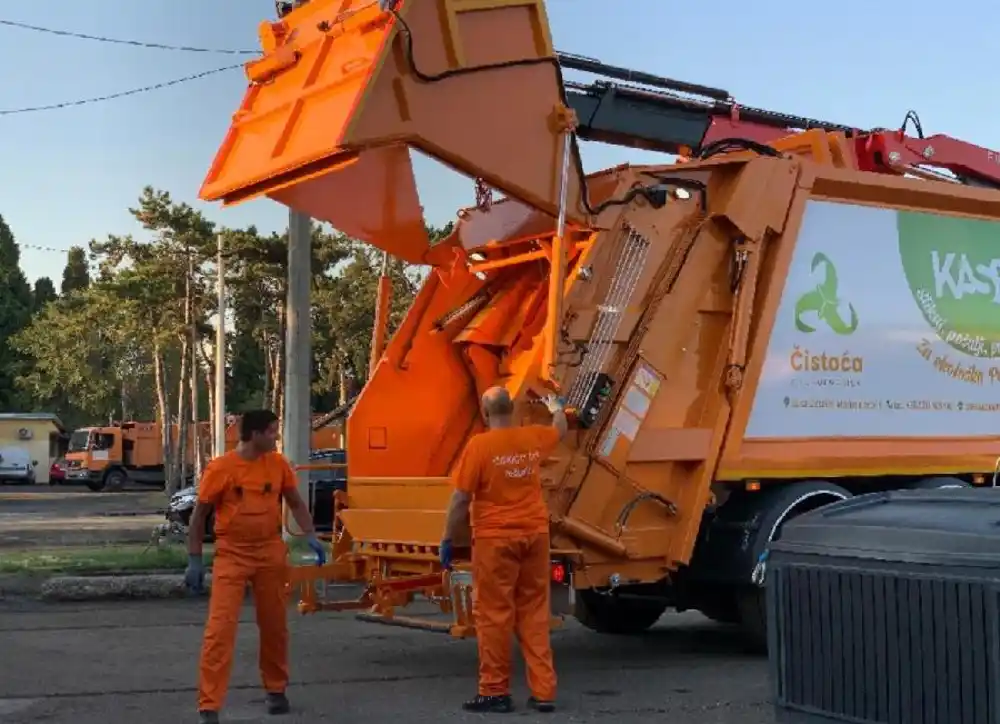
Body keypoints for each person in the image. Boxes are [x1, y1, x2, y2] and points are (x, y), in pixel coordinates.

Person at [185, 409, 327, 724]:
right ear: (255, 434)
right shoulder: (221, 469)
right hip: (232, 555)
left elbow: (295, 502)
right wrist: (194, 559)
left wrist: (311, 535)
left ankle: (276, 689)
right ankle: (209, 705)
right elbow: (199, 517)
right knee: (219, 631)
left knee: (275, 626)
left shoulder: (277, 465)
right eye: (272, 431)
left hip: (269, 553)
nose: (276, 437)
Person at [440, 386, 568, 714]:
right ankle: (544, 692)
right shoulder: (530, 438)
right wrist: (556, 407)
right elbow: (560, 429)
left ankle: (495, 691)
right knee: (534, 612)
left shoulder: (479, 447)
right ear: (511, 409)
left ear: (485, 414)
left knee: (494, 615)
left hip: (495, 541)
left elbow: (460, 499)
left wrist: (448, 539)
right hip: (534, 535)